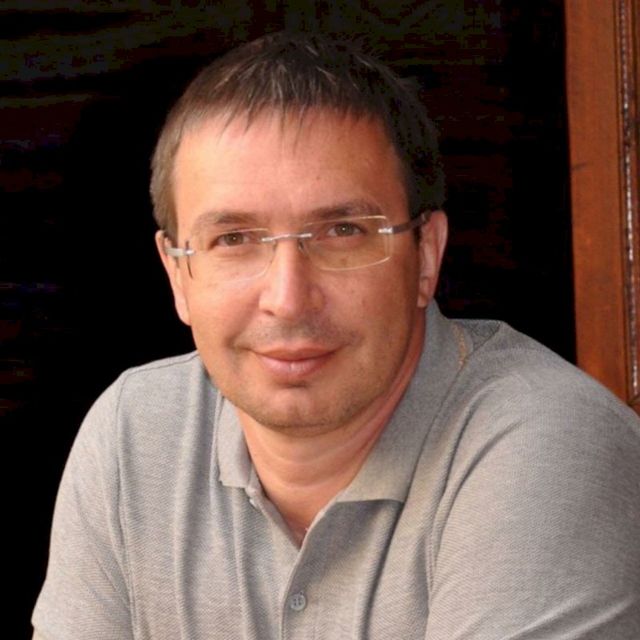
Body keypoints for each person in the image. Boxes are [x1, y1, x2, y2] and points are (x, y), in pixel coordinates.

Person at [32, 32, 640, 640]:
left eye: (342, 231)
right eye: (235, 239)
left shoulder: (548, 443)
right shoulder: (134, 437)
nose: (288, 298)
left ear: (426, 256)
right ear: (177, 275)